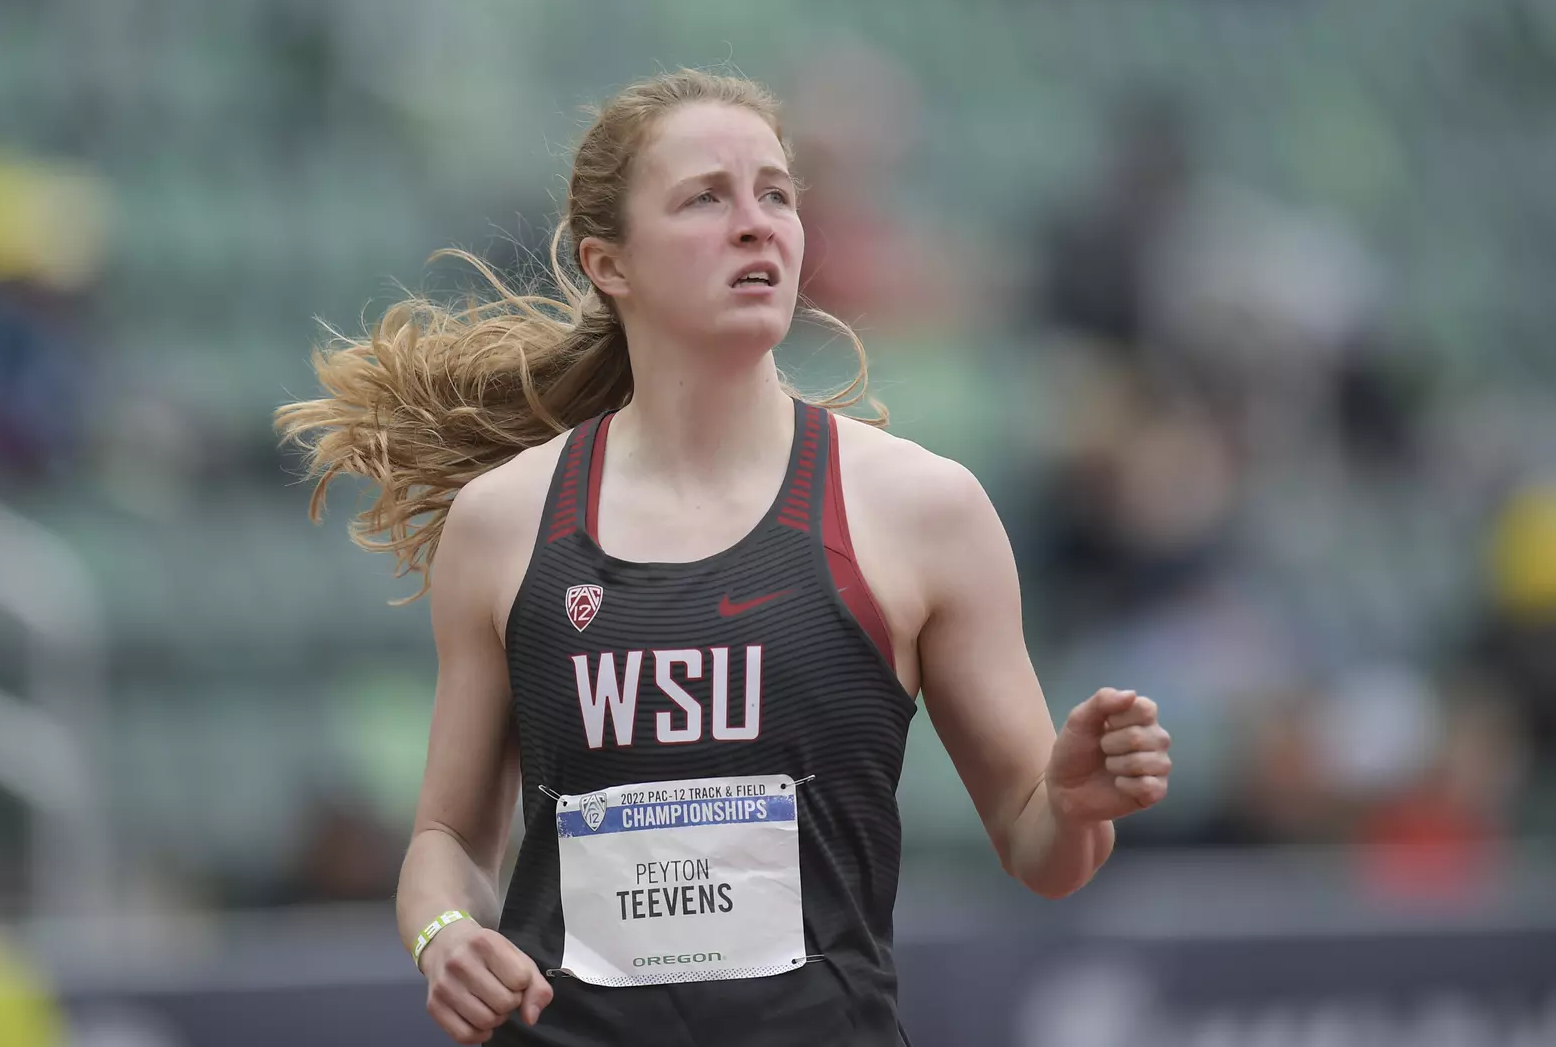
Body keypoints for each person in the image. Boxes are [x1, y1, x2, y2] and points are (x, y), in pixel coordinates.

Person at [275, 69, 1172, 1047]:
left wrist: (1079, 805)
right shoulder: (506, 521)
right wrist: (445, 932)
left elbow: (1042, 845)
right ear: (608, 263)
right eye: (707, 196)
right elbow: (448, 841)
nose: (758, 225)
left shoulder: (921, 510)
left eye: (777, 194)